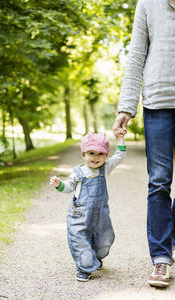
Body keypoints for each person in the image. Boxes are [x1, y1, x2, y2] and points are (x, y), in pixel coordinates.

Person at [113, 0, 175, 288]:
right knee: (160, 182)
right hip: (158, 104)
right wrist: (126, 105)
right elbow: (137, 56)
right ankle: (161, 259)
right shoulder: (148, 4)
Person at [50, 131, 126, 282]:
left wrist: (121, 138)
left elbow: (119, 156)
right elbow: (69, 186)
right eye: (91, 153)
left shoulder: (105, 168)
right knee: (80, 240)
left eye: (100, 154)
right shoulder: (79, 171)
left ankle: (95, 258)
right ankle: (84, 268)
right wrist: (60, 185)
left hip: (101, 214)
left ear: (105, 156)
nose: (96, 157)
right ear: (84, 154)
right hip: (80, 215)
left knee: (105, 239)